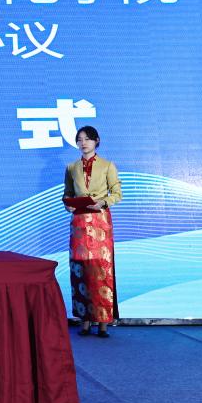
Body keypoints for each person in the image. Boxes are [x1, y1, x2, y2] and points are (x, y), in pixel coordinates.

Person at [64, 125, 122, 338]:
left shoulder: (107, 165)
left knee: (101, 269)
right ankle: (85, 321)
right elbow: (67, 194)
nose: (83, 143)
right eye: (79, 139)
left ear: (96, 141)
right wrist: (68, 205)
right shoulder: (71, 167)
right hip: (79, 223)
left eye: (87, 139)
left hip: (99, 222)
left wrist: (103, 202)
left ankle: (103, 322)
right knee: (80, 270)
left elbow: (117, 193)